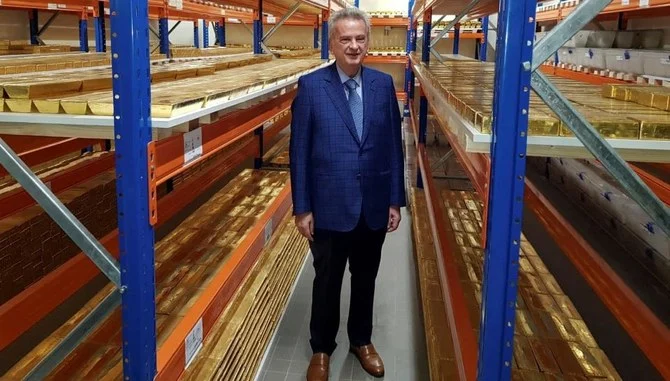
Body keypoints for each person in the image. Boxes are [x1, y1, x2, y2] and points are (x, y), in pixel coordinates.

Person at [289, 7, 406, 381]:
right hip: (329, 206)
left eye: (360, 39)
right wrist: (302, 207)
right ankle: (321, 348)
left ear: (367, 42)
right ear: (332, 44)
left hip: (372, 204)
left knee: (366, 277)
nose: (354, 46)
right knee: (326, 280)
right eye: (345, 39)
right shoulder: (311, 87)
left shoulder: (382, 85)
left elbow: (393, 146)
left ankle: (362, 340)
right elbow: (299, 153)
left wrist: (394, 199)